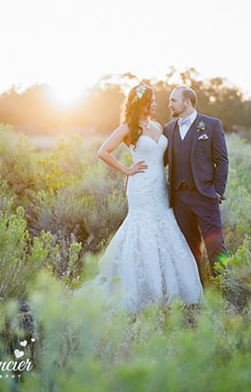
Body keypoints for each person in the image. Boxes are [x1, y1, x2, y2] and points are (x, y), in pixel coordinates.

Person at [85, 84, 203, 311]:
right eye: (152, 100)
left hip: (159, 187)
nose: (157, 104)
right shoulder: (128, 128)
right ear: (141, 103)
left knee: (164, 226)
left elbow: (166, 156)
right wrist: (126, 170)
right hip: (140, 187)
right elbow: (102, 151)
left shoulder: (158, 126)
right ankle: (143, 290)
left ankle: (170, 288)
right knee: (143, 228)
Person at [163, 85, 229, 282]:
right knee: (189, 245)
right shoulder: (168, 129)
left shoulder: (211, 125)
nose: (169, 104)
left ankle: (226, 286)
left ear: (187, 102)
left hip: (205, 195)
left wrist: (218, 191)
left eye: (173, 100)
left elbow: (222, 160)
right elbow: (162, 161)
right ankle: (198, 290)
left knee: (215, 244)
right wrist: (133, 174)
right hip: (180, 198)